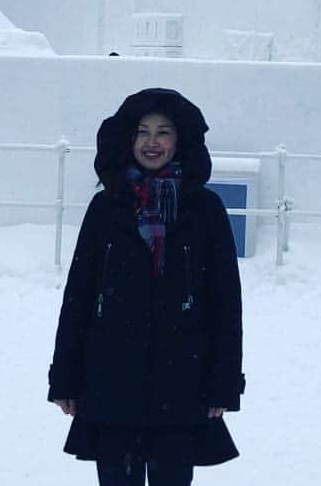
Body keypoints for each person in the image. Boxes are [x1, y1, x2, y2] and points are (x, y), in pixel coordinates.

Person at [48, 87, 245, 485]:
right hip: (111, 378)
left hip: (183, 380)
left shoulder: (206, 210)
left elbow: (225, 303)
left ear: (181, 139)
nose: (152, 142)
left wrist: (223, 383)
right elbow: (79, 296)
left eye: (163, 132)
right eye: (142, 131)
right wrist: (65, 377)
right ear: (127, 139)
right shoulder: (106, 207)